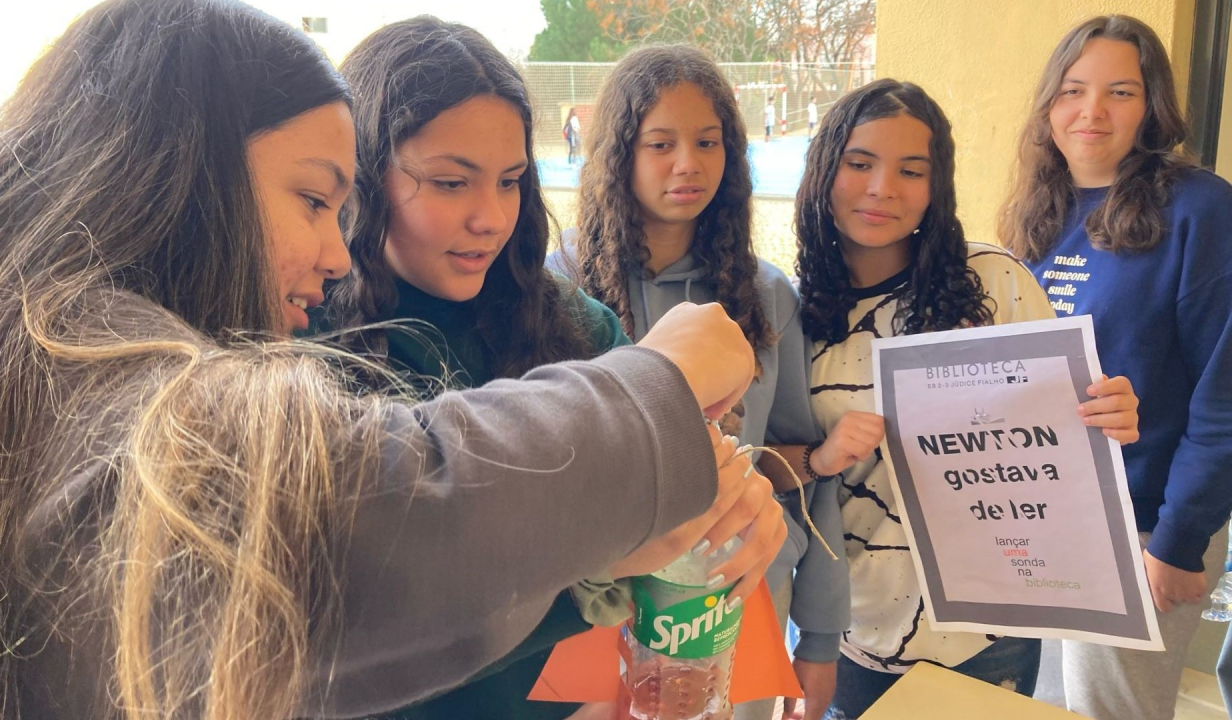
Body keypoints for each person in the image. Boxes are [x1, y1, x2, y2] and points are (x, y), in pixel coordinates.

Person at [0, 2, 785, 718]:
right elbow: (344, 530)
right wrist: (650, 397)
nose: (335, 252)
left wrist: (691, 509)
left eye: (510, 181)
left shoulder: (25, 340)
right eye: (316, 198)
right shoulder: (79, 366)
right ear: (173, 176)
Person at [325, 19, 792, 720]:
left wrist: (735, 505)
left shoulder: (574, 326)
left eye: (512, 181)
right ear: (359, 179)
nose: (492, 218)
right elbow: (368, 617)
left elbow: (681, 526)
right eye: (452, 182)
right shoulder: (303, 351)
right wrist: (592, 563)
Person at [792, 78, 1141, 719]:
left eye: (911, 170)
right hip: (852, 628)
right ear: (823, 172)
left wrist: (1106, 416)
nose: (881, 188)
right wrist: (821, 454)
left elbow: (1063, 442)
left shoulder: (995, 282)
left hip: (991, 630)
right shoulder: (793, 315)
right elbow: (775, 470)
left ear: (937, 186)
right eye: (860, 163)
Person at [550, 45, 859, 720]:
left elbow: (801, 469)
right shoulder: (557, 286)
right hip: (599, 613)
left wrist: (822, 638)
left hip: (732, 605)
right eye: (660, 143)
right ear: (617, 153)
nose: (687, 163)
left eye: (707, 142)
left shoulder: (765, 295)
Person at [999, 15, 1232, 720]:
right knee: (1044, 706)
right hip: (1048, 513)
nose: (1091, 111)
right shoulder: (1040, 213)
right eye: (1073, 90)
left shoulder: (1201, 208)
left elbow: (1223, 394)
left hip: (1144, 522)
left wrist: (1178, 539)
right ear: (1049, 105)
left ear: (1152, 106)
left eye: (1120, 92)